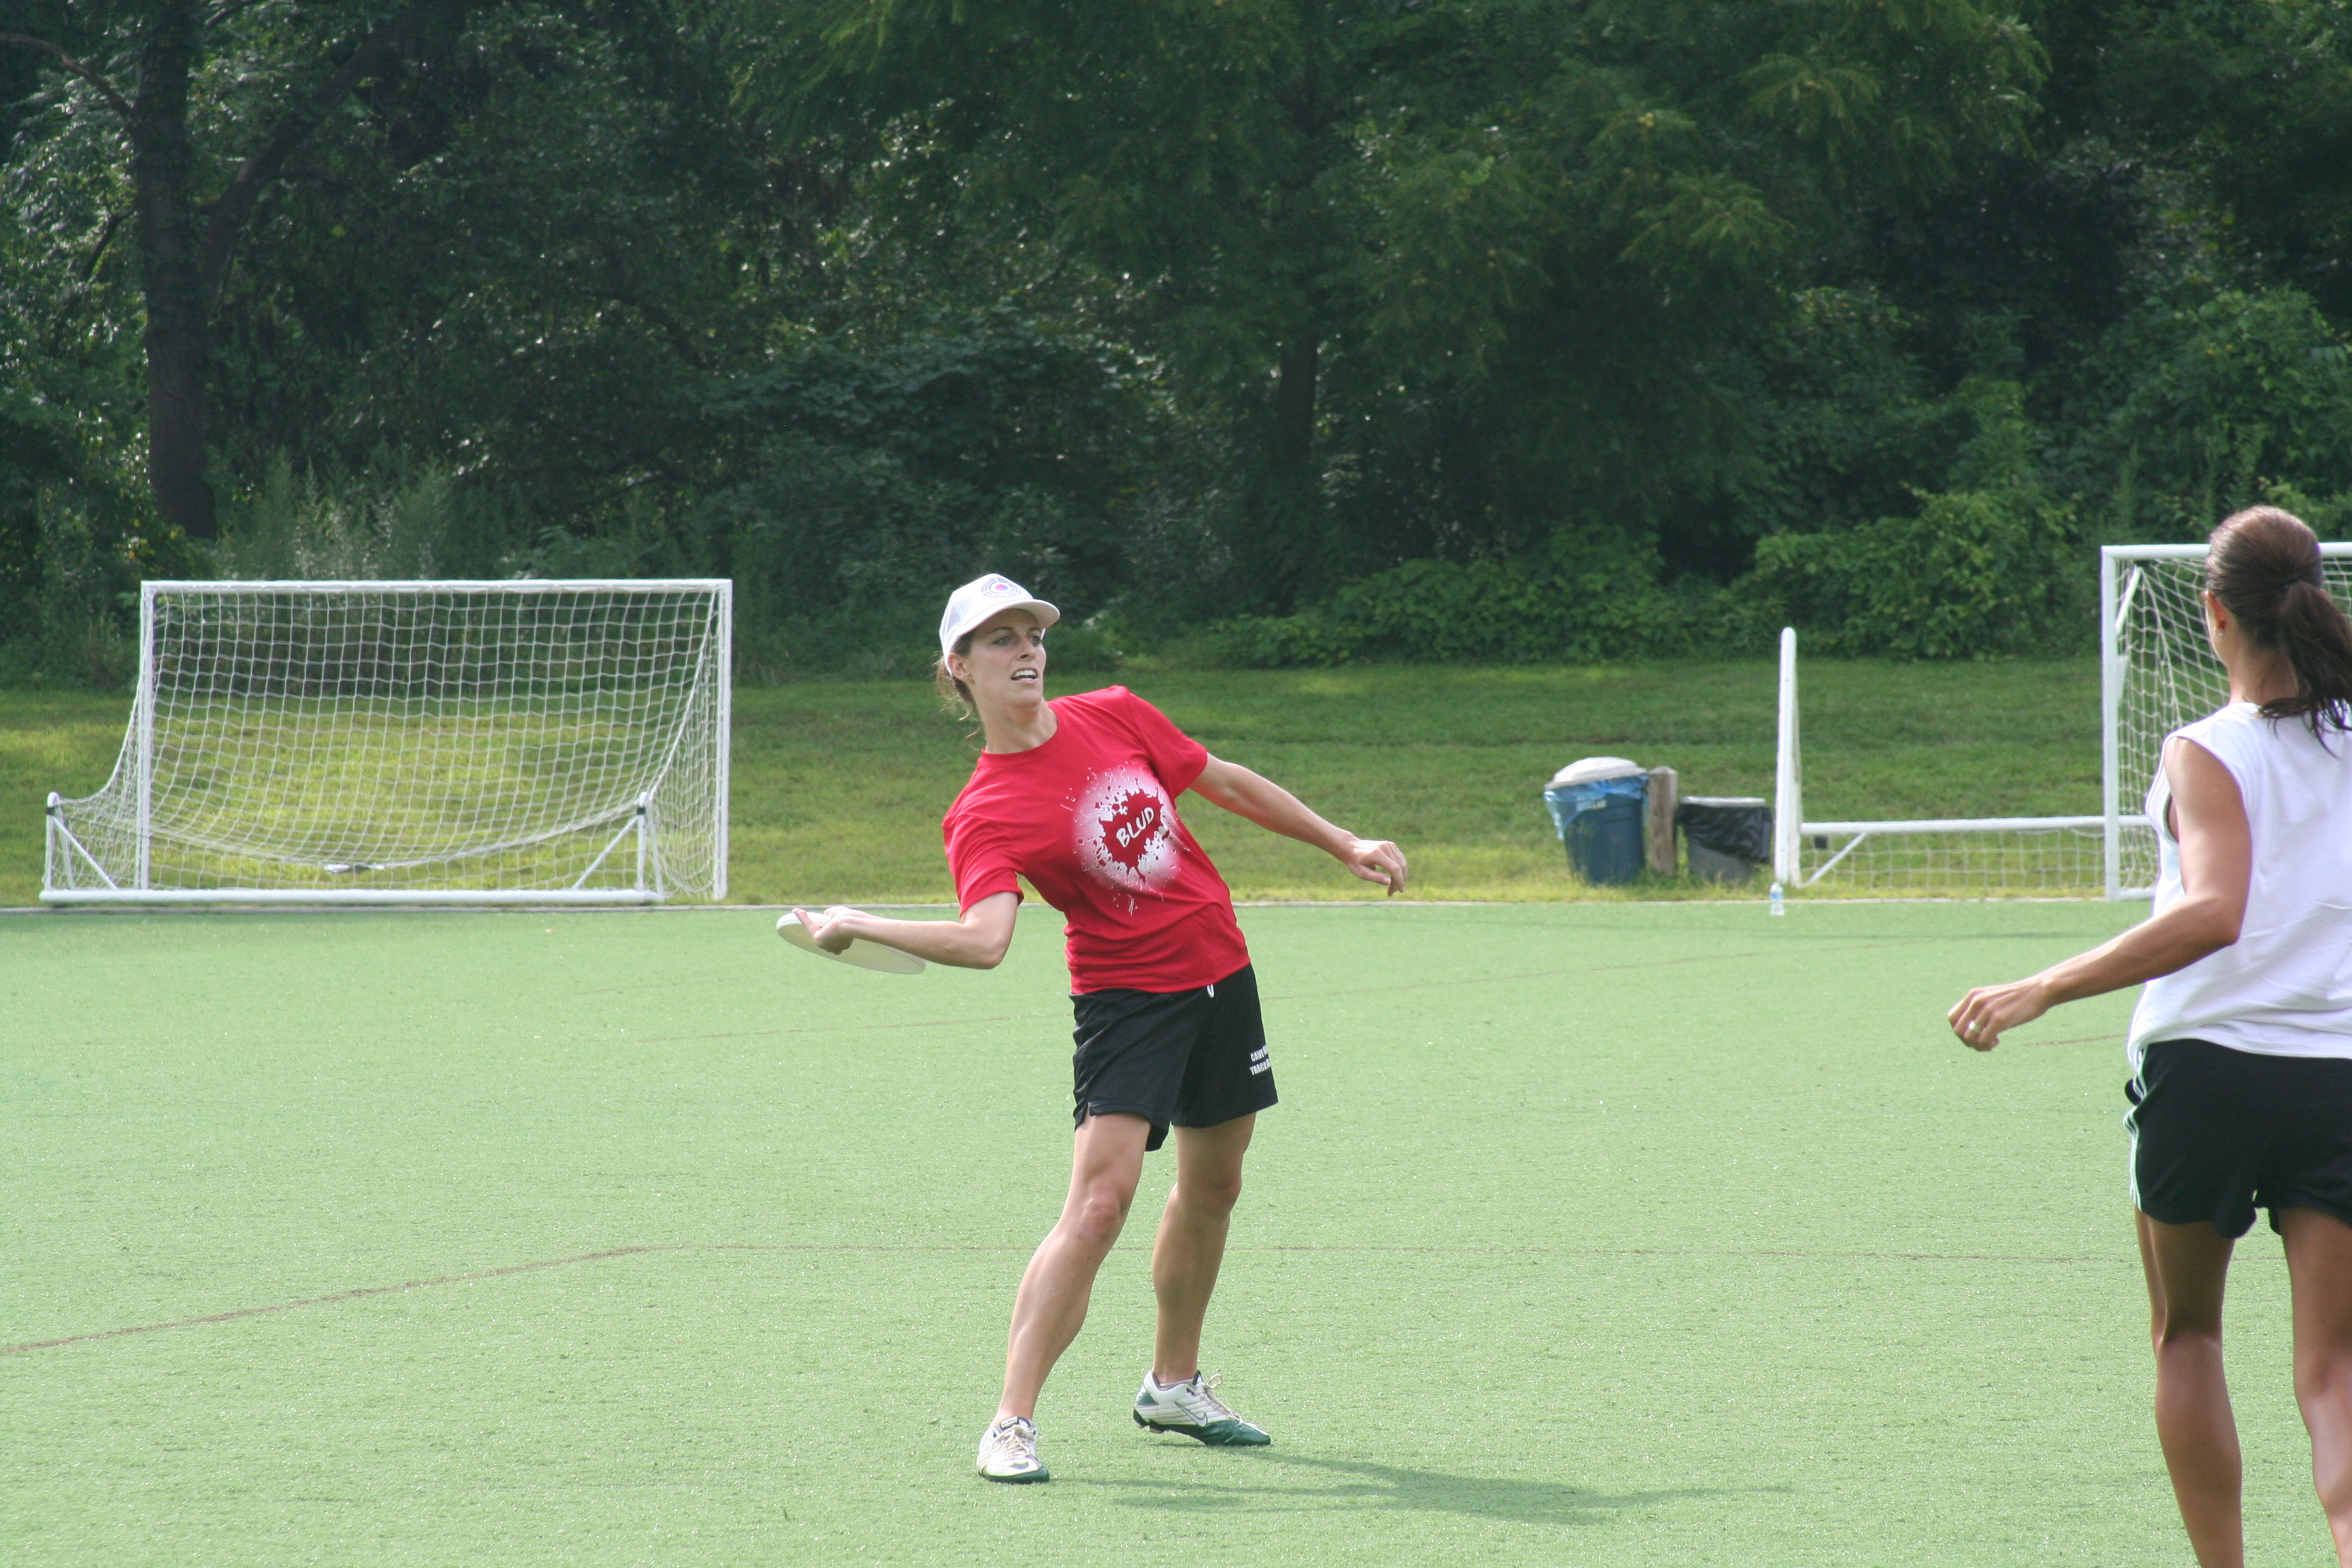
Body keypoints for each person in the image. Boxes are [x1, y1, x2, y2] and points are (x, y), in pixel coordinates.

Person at [791, 573, 1408, 1485]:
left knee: (1215, 1187)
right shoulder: (983, 811)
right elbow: (984, 940)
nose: (1026, 650)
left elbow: (1224, 781)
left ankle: (1174, 1385)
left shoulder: (1115, 713)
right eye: (1000, 639)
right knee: (1098, 1207)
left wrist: (1342, 841)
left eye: (1032, 633)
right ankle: (1010, 1422)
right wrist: (859, 923)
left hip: (1223, 976)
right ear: (958, 667)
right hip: (1129, 1006)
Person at [1948, 507, 2352, 1567]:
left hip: (2205, 1068)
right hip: (2339, 1077)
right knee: (2336, 1374)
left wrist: (2044, 985)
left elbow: (2215, 911)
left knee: (2189, 1333)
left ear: (2215, 611)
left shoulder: (2204, 749)